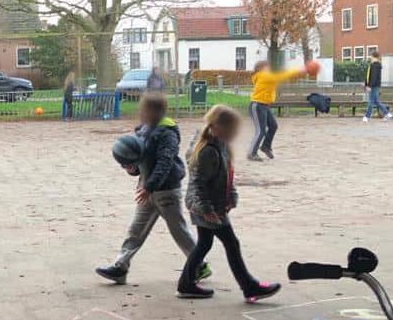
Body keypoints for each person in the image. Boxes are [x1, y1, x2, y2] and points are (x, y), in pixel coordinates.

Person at [96, 93, 210, 285]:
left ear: (154, 112)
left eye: (144, 109)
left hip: (166, 191)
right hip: (147, 190)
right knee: (136, 229)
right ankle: (120, 266)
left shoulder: (168, 133)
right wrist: (131, 168)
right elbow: (142, 160)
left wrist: (149, 186)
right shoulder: (143, 131)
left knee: (178, 230)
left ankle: (199, 265)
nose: (140, 112)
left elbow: (164, 163)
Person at [178, 105, 281, 302]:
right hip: (205, 206)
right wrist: (206, 209)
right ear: (218, 127)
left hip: (212, 205)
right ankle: (249, 286)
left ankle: (186, 283)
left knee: (205, 243)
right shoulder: (207, 151)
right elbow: (197, 183)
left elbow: (227, 176)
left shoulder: (220, 145)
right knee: (231, 243)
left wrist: (231, 196)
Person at [247, 60, 307, 161]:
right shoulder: (263, 75)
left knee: (273, 126)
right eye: (267, 67)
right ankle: (252, 153)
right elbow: (281, 76)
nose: (269, 69)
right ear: (261, 69)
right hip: (257, 105)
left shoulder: (266, 77)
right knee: (260, 130)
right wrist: (299, 70)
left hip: (264, 105)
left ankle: (265, 146)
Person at [363, 51, 392, 123]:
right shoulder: (374, 65)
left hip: (374, 86)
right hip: (374, 85)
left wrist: (369, 86)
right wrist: (366, 84)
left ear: (373, 56)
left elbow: (374, 77)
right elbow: (369, 76)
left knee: (371, 101)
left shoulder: (375, 65)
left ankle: (367, 116)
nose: (370, 58)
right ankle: (387, 113)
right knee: (376, 101)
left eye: (371, 56)